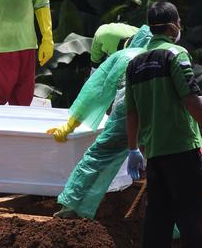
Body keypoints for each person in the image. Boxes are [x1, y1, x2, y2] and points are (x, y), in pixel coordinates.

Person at [125, 2, 202, 248]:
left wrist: (133, 149)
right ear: (173, 26)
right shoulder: (175, 54)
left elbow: (131, 112)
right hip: (181, 148)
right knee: (193, 216)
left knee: (158, 219)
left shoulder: (134, 64)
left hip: (155, 153)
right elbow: (189, 97)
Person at [47, 24, 152, 219]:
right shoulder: (166, 56)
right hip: (162, 116)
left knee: (99, 155)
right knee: (166, 165)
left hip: (127, 112)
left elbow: (94, 93)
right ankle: (175, 228)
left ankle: (72, 207)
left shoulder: (122, 57)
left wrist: (70, 125)